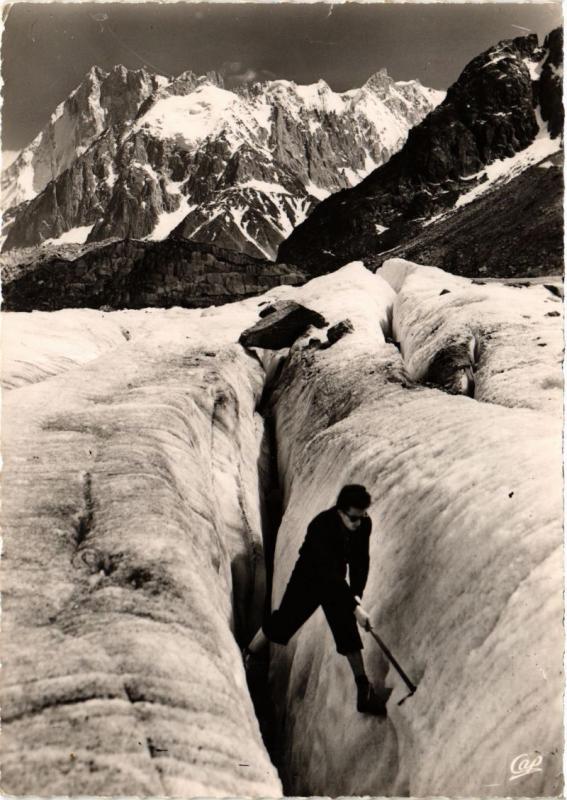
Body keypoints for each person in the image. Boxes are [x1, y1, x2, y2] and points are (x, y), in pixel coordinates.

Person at [244, 484, 391, 716]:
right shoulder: (321, 526)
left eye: (363, 516)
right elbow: (327, 572)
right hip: (308, 579)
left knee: (346, 630)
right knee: (283, 624)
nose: (359, 523)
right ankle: (250, 655)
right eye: (354, 518)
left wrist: (356, 594)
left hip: (336, 581)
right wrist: (354, 608)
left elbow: (361, 561)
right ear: (340, 512)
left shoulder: (364, 525)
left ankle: (364, 688)